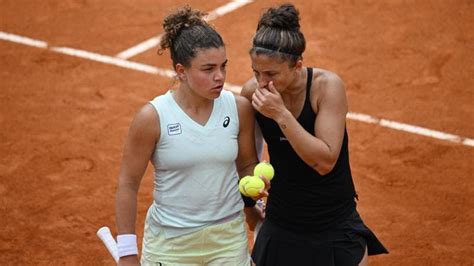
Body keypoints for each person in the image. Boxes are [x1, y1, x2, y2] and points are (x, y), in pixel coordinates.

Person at [114, 5, 264, 266]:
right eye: (208, 69)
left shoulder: (238, 108)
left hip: (227, 239)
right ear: (181, 71)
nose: (220, 77)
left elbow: (246, 165)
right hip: (171, 244)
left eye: (223, 66)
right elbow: (128, 183)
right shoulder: (153, 118)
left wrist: (256, 185)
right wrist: (127, 252)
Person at [241, 3, 389, 266]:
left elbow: (324, 161)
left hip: (334, 223)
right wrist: (251, 207)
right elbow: (246, 161)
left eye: (271, 74)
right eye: (256, 72)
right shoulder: (253, 93)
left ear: (297, 65)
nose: (262, 82)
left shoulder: (327, 88)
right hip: (281, 223)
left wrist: (281, 114)